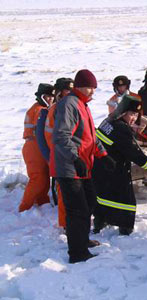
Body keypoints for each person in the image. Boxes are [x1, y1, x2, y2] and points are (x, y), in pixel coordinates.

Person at [50, 69, 116, 263]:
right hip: (70, 167)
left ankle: (82, 240)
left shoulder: (83, 105)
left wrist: (103, 155)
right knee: (77, 210)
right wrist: (75, 158)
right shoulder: (69, 104)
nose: (92, 91)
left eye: (94, 88)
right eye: (89, 87)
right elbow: (61, 136)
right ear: (79, 86)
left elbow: (90, 137)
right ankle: (77, 253)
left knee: (88, 204)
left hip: (83, 166)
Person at [93, 95, 147, 235]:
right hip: (114, 169)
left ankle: (100, 221)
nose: (134, 118)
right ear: (123, 112)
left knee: (103, 197)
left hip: (100, 167)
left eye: (136, 114)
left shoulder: (109, 120)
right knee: (125, 201)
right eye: (131, 114)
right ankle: (125, 229)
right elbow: (136, 156)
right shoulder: (121, 129)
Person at [35, 77, 74, 228]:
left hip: (63, 156)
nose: (71, 93)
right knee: (64, 193)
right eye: (67, 90)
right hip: (61, 157)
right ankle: (66, 224)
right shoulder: (58, 109)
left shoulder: (64, 107)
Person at [19, 83, 55, 212]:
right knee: (38, 177)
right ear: (40, 96)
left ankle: (42, 201)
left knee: (44, 176)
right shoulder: (39, 110)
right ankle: (25, 206)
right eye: (47, 96)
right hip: (33, 147)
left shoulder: (39, 108)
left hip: (36, 146)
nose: (50, 99)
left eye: (52, 96)